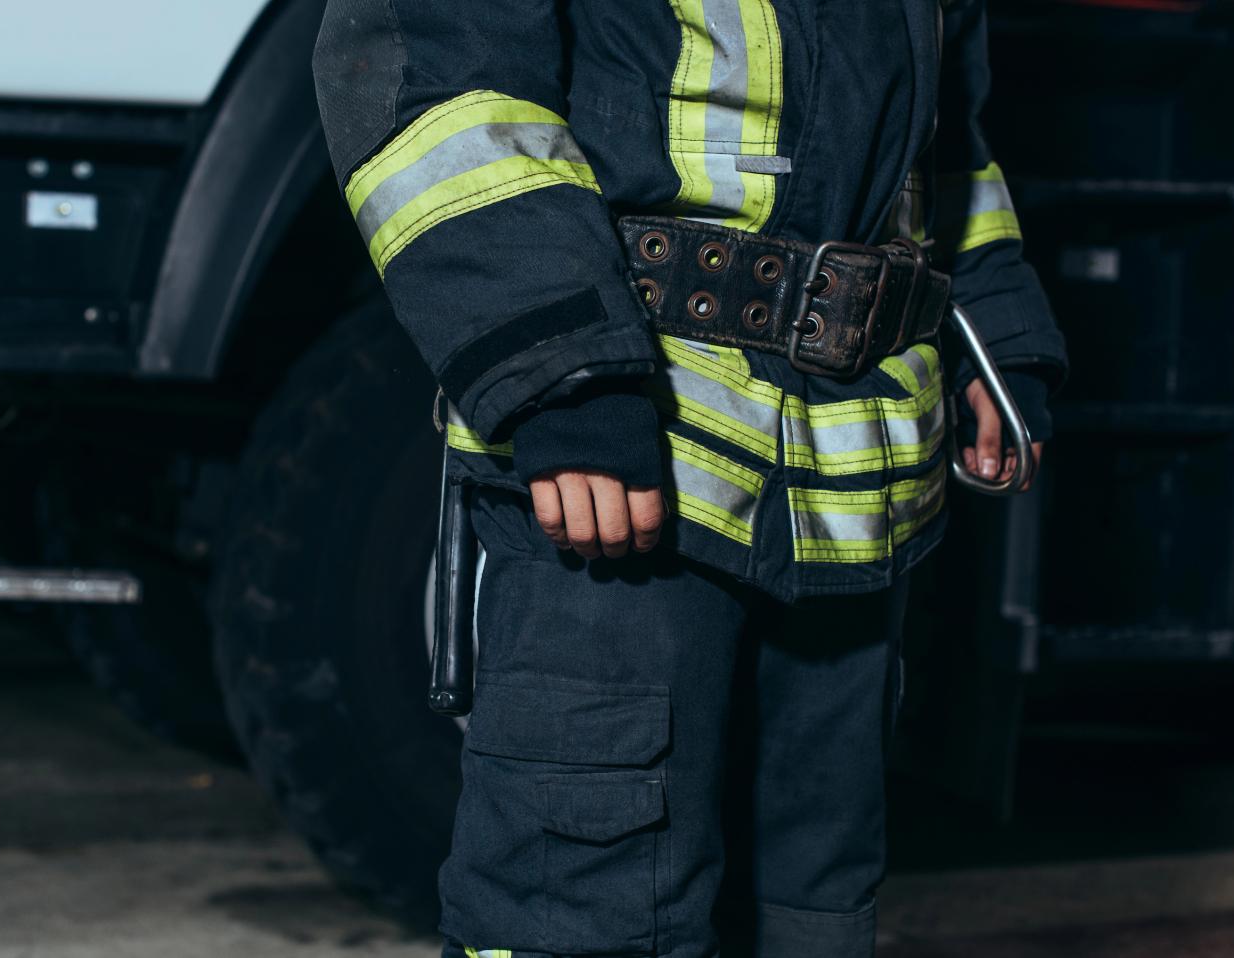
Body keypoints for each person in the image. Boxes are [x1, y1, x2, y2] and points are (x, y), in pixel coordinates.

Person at [312, 2, 1067, 955]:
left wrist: (997, 326)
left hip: (850, 505)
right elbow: (436, 85)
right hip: (634, 477)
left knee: (811, 909)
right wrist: (566, 379)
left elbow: (941, 132)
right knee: (585, 910)